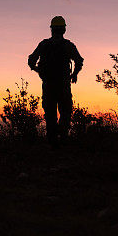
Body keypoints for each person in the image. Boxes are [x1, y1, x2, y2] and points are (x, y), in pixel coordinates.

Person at [28, 16, 83, 146]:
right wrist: (74, 74)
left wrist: (39, 71)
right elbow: (79, 61)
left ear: (51, 29)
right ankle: (63, 140)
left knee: (50, 114)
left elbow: (31, 61)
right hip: (63, 85)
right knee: (65, 112)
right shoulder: (68, 45)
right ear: (64, 30)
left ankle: (52, 144)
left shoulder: (44, 45)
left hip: (48, 86)